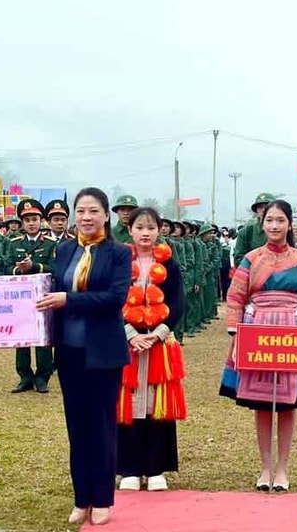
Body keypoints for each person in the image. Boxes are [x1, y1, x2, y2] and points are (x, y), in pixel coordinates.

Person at [36, 187, 132, 526]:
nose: (86, 218)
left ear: (106, 215)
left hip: (103, 352)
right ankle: (82, 498)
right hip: (69, 351)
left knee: (102, 425)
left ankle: (103, 498)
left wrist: (69, 300)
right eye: (81, 211)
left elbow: (114, 298)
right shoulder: (63, 250)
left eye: (93, 211)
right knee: (76, 426)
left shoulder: (119, 253)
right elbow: (48, 291)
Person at [218, 199, 297, 491]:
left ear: (289, 224)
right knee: (262, 403)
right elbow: (236, 296)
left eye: (280, 220)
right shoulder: (251, 258)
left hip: (292, 332)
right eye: (269, 220)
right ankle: (265, 468)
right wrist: (236, 334)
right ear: (262, 224)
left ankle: (282, 469)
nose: (274, 226)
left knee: (288, 403)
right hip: (258, 331)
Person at [117, 207, 186, 492]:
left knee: (158, 406)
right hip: (128, 342)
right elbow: (112, 299)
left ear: (160, 230)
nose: (145, 233)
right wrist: (130, 334)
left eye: (151, 228)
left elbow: (178, 302)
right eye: (139, 227)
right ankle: (130, 469)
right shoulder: (119, 262)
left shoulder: (169, 264)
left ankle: (156, 468)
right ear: (130, 230)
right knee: (128, 406)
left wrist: (157, 334)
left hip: (159, 343)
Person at [6, 199, 58, 394]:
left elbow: (55, 268)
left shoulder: (51, 244)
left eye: (35, 219)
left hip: (43, 296)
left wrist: (35, 267)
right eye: (27, 220)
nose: (31, 223)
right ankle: (25, 376)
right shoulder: (13, 244)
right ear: (22, 222)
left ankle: (43, 376)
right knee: (22, 336)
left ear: (41, 221)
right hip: (20, 297)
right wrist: (19, 270)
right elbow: (5, 267)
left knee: (42, 336)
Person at [232, 192, 275, 266]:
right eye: (260, 207)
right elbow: (238, 259)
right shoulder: (247, 232)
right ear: (256, 211)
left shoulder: (283, 231)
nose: (263, 210)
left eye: (267, 207)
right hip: (254, 275)